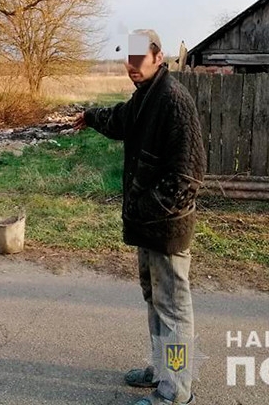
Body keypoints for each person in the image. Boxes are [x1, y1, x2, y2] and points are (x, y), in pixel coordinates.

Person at [73, 29, 205, 405]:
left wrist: (148, 210)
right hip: (147, 226)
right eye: (127, 59)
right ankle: (161, 369)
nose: (131, 66)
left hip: (164, 228)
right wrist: (90, 116)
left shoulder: (174, 102)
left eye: (138, 58)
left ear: (158, 57)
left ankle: (176, 389)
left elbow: (188, 176)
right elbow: (121, 120)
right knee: (155, 300)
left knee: (173, 309)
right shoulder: (146, 96)